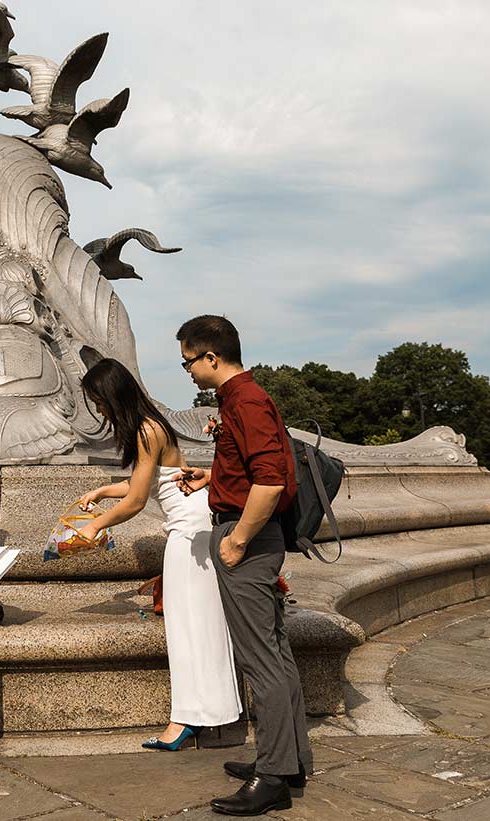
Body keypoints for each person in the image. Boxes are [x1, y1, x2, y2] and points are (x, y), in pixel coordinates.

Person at [173, 315, 313, 817]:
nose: (187, 370)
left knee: (260, 660)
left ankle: (272, 777)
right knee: (275, 650)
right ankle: (289, 759)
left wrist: (236, 541)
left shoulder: (247, 400)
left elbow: (271, 481)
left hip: (247, 541)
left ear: (212, 357)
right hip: (247, 531)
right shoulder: (239, 400)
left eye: (189, 360)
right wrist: (213, 477)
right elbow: (252, 470)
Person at [72, 358, 241, 751]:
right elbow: (144, 481)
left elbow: (136, 501)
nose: (98, 409)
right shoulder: (152, 427)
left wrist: (96, 525)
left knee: (187, 628)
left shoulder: (147, 431)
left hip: (188, 532)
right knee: (198, 625)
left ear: (113, 396)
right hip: (193, 525)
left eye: (99, 401)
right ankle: (207, 716)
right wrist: (101, 493)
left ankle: (184, 721)